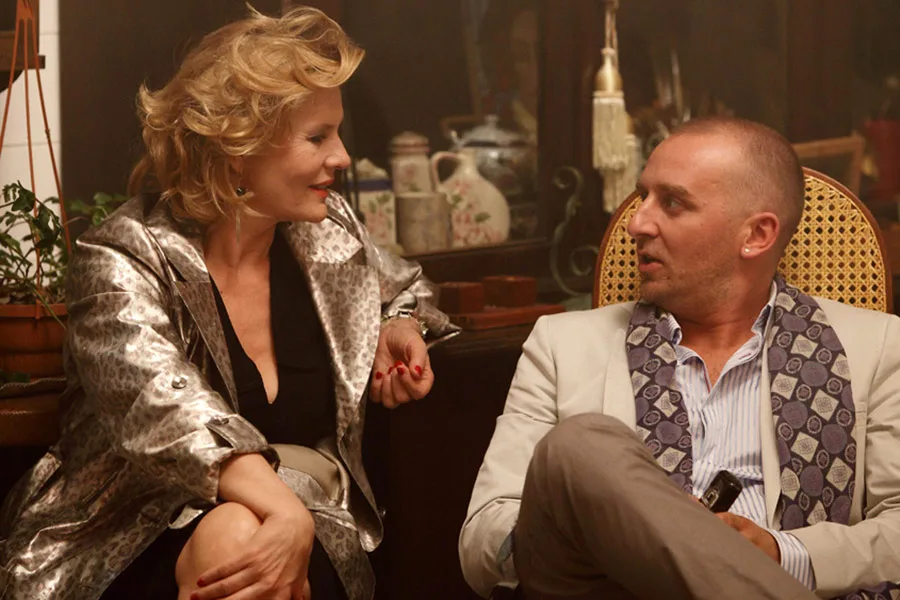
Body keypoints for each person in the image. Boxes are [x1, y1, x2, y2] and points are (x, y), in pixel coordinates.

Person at [0, 6, 457, 600]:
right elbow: (163, 410)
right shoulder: (121, 256)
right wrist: (282, 510)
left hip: (307, 527)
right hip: (132, 535)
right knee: (238, 533)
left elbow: (407, 287)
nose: (342, 156)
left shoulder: (329, 233)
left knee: (246, 536)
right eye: (318, 137)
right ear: (238, 147)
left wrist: (397, 322)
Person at [459, 117, 900, 599]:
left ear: (756, 234)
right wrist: (602, 527)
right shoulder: (562, 345)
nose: (637, 223)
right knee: (579, 446)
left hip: (796, 581)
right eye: (642, 197)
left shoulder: (878, 347)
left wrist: (780, 553)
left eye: (672, 202)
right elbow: (483, 537)